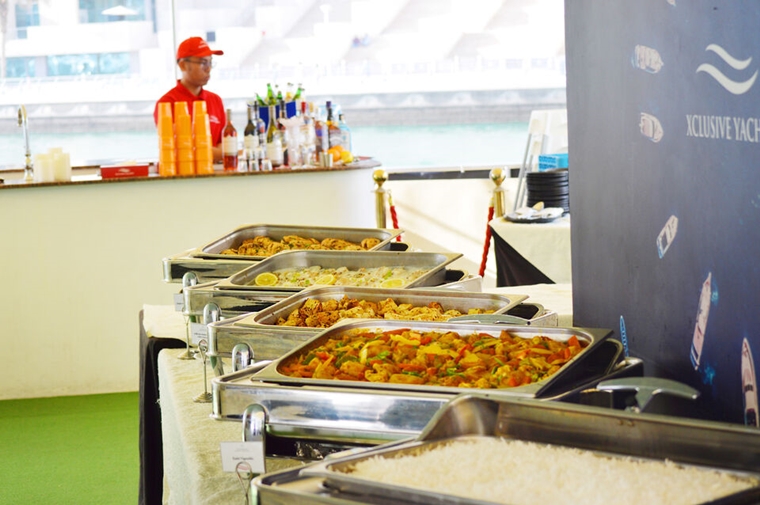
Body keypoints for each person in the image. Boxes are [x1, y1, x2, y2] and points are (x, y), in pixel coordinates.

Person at [154, 36, 226, 162]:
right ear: (183, 65)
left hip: (215, 171)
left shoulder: (215, 100)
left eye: (210, 62)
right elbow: (184, 148)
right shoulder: (167, 104)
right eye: (203, 62)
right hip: (183, 172)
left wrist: (225, 153)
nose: (208, 68)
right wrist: (231, 153)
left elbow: (223, 142)